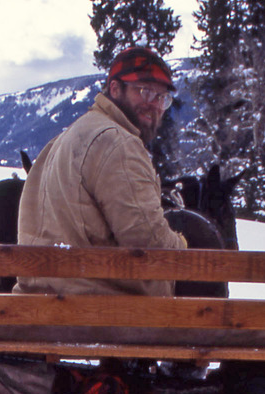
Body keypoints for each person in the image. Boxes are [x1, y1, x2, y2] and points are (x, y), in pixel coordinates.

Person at [14, 46, 186, 298]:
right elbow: (150, 245)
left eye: (162, 98)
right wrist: (181, 244)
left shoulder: (64, 138)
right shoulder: (117, 143)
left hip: (44, 304)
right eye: (145, 91)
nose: (155, 105)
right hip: (99, 311)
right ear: (115, 89)